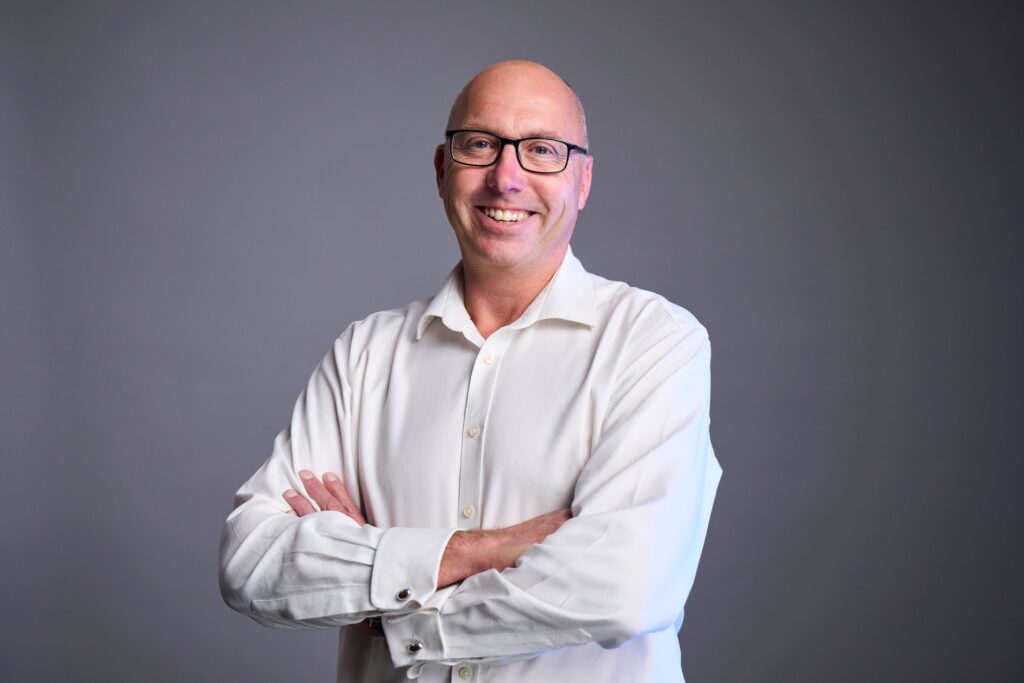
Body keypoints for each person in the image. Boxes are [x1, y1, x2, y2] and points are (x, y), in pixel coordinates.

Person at [219, 59, 722, 682]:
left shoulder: (653, 342)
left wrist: (392, 602)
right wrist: (478, 552)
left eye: (542, 149)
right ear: (441, 170)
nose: (506, 178)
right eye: (480, 144)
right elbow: (252, 564)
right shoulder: (363, 356)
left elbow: (625, 587)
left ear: (583, 181)